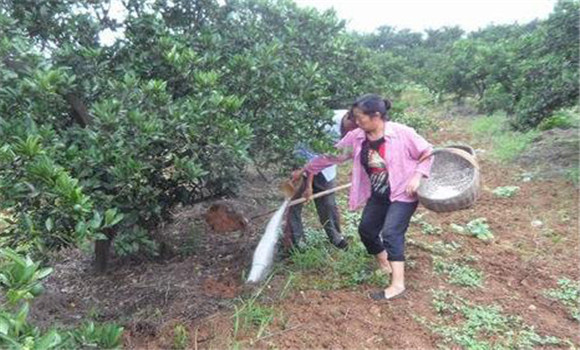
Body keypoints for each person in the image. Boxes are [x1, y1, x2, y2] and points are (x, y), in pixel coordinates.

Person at [298, 94, 433, 300]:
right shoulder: (358, 137)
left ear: (376, 116)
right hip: (379, 193)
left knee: (391, 232)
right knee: (367, 230)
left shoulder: (402, 133)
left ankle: (398, 284)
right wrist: (306, 169)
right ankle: (385, 264)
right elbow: (332, 156)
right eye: (355, 118)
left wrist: (417, 176)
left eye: (361, 118)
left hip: (403, 192)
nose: (357, 122)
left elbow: (428, 152)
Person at [283, 110, 358, 251]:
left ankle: (336, 238)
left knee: (328, 203)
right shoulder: (327, 124)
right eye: (353, 127)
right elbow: (315, 156)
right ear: (348, 118)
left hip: (326, 166)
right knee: (293, 202)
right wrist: (308, 186)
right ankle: (295, 243)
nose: (354, 131)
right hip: (301, 161)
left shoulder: (358, 122)